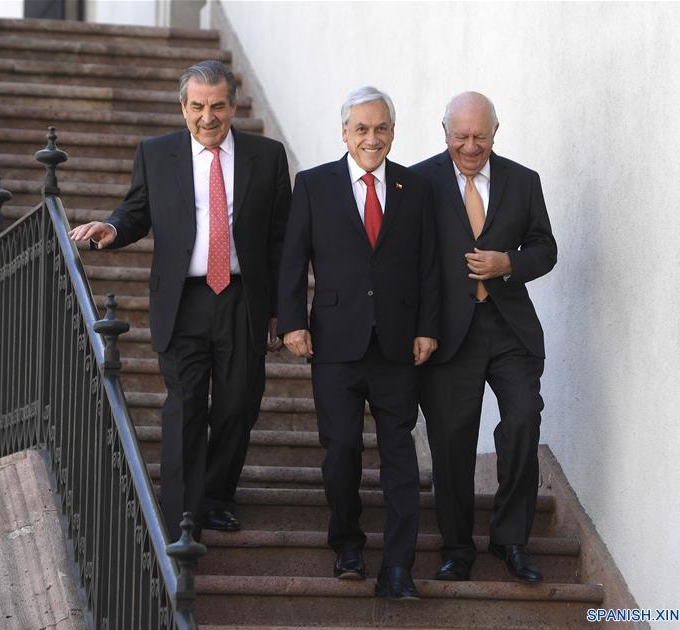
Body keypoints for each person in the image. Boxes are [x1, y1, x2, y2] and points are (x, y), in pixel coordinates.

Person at [68, 60, 291, 542]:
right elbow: (136, 211)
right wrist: (112, 227)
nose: (208, 117)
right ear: (183, 107)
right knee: (185, 405)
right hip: (183, 300)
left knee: (238, 404)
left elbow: (281, 239)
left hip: (242, 299)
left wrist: (281, 309)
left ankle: (216, 497)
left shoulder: (268, 156)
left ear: (233, 106)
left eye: (217, 106)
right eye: (197, 107)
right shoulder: (157, 153)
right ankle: (180, 516)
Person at [277, 86, 439, 600]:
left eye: (381, 128)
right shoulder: (313, 185)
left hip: (398, 345)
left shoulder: (416, 188)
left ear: (393, 132)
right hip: (335, 343)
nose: (372, 138)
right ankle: (347, 543)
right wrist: (292, 322)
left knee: (400, 456)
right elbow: (292, 258)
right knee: (342, 447)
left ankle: (398, 567)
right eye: (362, 129)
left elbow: (430, 266)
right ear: (345, 133)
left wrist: (428, 327)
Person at [411, 92, 557, 583]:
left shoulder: (523, 180)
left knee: (522, 421)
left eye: (480, 136)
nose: (471, 147)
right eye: (461, 137)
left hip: (509, 327)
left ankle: (510, 539)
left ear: (496, 131)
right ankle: (457, 548)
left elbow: (545, 248)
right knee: (452, 441)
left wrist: (508, 262)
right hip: (447, 332)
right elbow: (406, 257)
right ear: (444, 132)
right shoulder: (419, 181)